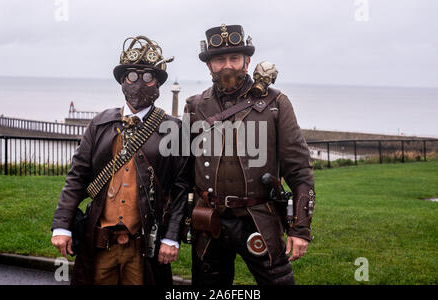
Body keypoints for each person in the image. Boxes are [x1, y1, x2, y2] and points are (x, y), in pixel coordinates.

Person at [51, 35, 190, 285]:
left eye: (147, 77)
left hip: (144, 243)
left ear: (157, 84)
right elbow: (77, 176)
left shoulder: (174, 129)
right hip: (100, 241)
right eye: (132, 76)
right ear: (122, 81)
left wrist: (171, 237)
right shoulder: (100, 123)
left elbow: (181, 188)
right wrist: (62, 225)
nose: (139, 83)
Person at [184, 24, 315, 285]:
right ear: (209, 65)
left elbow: (299, 170)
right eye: (219, 59)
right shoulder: (195, 106)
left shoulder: (276, 104)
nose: (227, 65)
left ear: (247, 62)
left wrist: (300, 229)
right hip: (209, 221)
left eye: (234, 58)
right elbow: (185, 170)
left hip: (259, 218)